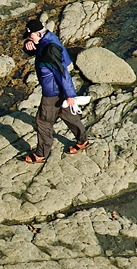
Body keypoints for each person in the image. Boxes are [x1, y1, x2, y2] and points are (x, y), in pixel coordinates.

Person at [22, 18, 88, 163]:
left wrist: (70, 95)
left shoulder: (50, 50)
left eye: (30, 35)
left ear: (38, 34)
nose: (29, 37)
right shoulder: (47, 38)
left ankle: (41, 153)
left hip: (52, 92)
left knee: (43, 121)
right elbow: (36, 50)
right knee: (67, 115)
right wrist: (28, 45)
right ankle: (82, 140)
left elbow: (63, 73)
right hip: (58, 90)